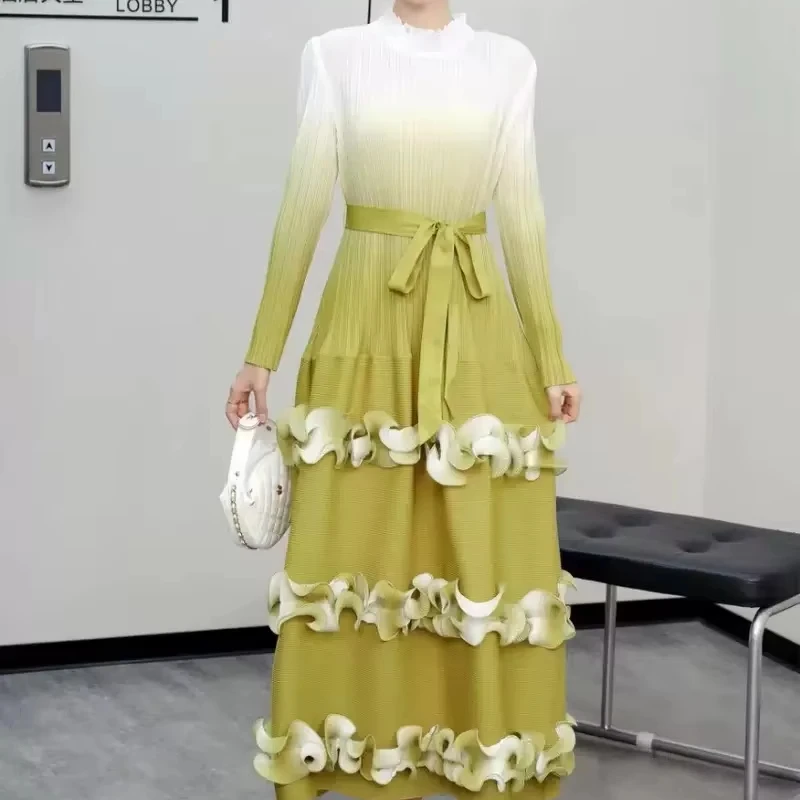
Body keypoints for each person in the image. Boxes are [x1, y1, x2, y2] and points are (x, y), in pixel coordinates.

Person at [226, 1, 582, 798]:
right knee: (354, 551)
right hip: (365, 318)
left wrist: (553, 357)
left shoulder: (508, 62)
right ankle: (355, 763)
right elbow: (302, 208)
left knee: (476, 559)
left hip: (479, 329)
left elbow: (522, 216)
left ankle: (476, 758)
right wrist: (261, 353)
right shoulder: (334, 55)